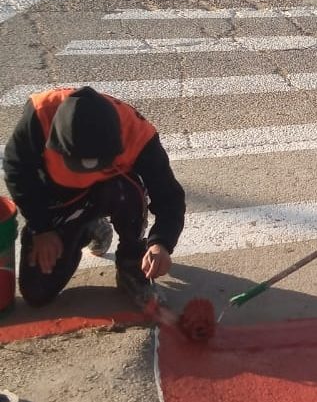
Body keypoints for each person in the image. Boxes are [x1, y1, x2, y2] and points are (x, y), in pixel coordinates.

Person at [3, 86, 185, 308]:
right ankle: (88, 226)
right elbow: (17, 170)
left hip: (112, 191)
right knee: (37, 293)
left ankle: (130, 263)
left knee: (128, 192)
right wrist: (41, 228)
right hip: (59, 196)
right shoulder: (40, 115)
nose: (85, 172)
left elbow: (169, 196)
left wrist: (162, 243)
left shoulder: (136, 133)